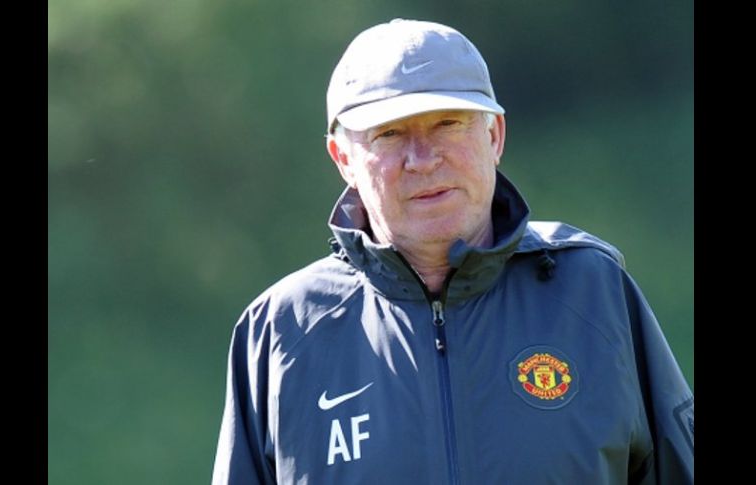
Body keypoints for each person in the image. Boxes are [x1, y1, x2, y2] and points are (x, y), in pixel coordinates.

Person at [212, 18, 693, 485]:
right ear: (343, 160)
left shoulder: (594, 292)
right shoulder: (280, 332)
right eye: (389, 134)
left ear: (494, 136)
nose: (423, 158)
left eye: (448, 123)